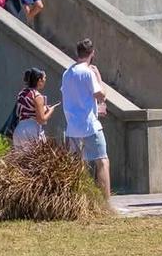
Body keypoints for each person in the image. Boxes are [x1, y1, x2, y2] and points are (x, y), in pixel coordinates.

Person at [62, 38, 111, 200]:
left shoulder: (67, 73)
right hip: (89, 124)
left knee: (77, 165)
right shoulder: (89, 72)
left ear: (78, 52)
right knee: (102, 161)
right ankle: (105, 203)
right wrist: (98, 76)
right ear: (92, 53)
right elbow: (101, 94)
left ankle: (78, 201)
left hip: (72, 126)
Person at [12, 68, 56, 147]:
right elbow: (41, 120)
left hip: (19, 130)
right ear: (39, 80)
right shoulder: (37, 96)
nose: (45, 80)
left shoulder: (22, 93)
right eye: (44, 78)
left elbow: (24, 110)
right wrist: (50, 111)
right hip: (31, 130)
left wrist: (43, 108)